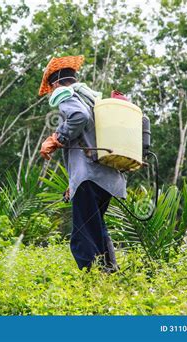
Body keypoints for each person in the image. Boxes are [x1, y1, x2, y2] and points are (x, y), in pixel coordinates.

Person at [38, 55, 126, 273]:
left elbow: (79, 117)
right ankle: (110, 273)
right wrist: (73, 183)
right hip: (106, 177)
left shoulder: (67, 95)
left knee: (82, 236)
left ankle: (92, 279)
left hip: (90, 176)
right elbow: (90, 138)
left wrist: (57, 138)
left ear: (56, 84)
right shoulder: (93, 99)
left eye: (52, 88)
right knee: (95, 227)